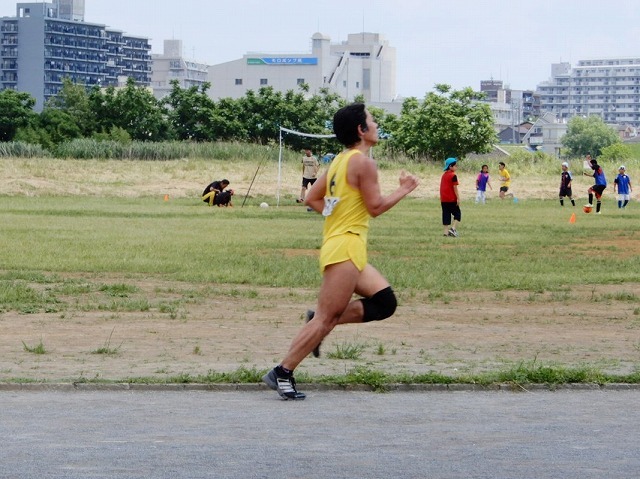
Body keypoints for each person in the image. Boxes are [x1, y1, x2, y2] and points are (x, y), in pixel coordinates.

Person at [262, 103, 419, 400]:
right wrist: (404, 189)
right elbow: (375, 208)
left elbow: (311, 197)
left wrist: (338, 217)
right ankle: (282, 372)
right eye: (372, 120)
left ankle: (314, 323)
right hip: (345, 247)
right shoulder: (363, 163)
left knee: (385, 303)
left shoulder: (339, 160)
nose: (376, 124)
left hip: (346, 244)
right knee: (326, 318)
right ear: (361, 130)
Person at [441, 157, 461, 237]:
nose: (456, 167)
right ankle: (453, 228)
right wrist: (458, 198)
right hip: (451, 199)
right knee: (457, 214)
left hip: (444, 199)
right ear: (450, 166)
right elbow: (455, 188)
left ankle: (445, 232)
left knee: (446, 214)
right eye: (455, 166)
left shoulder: (444, 175)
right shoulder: (453, 175)